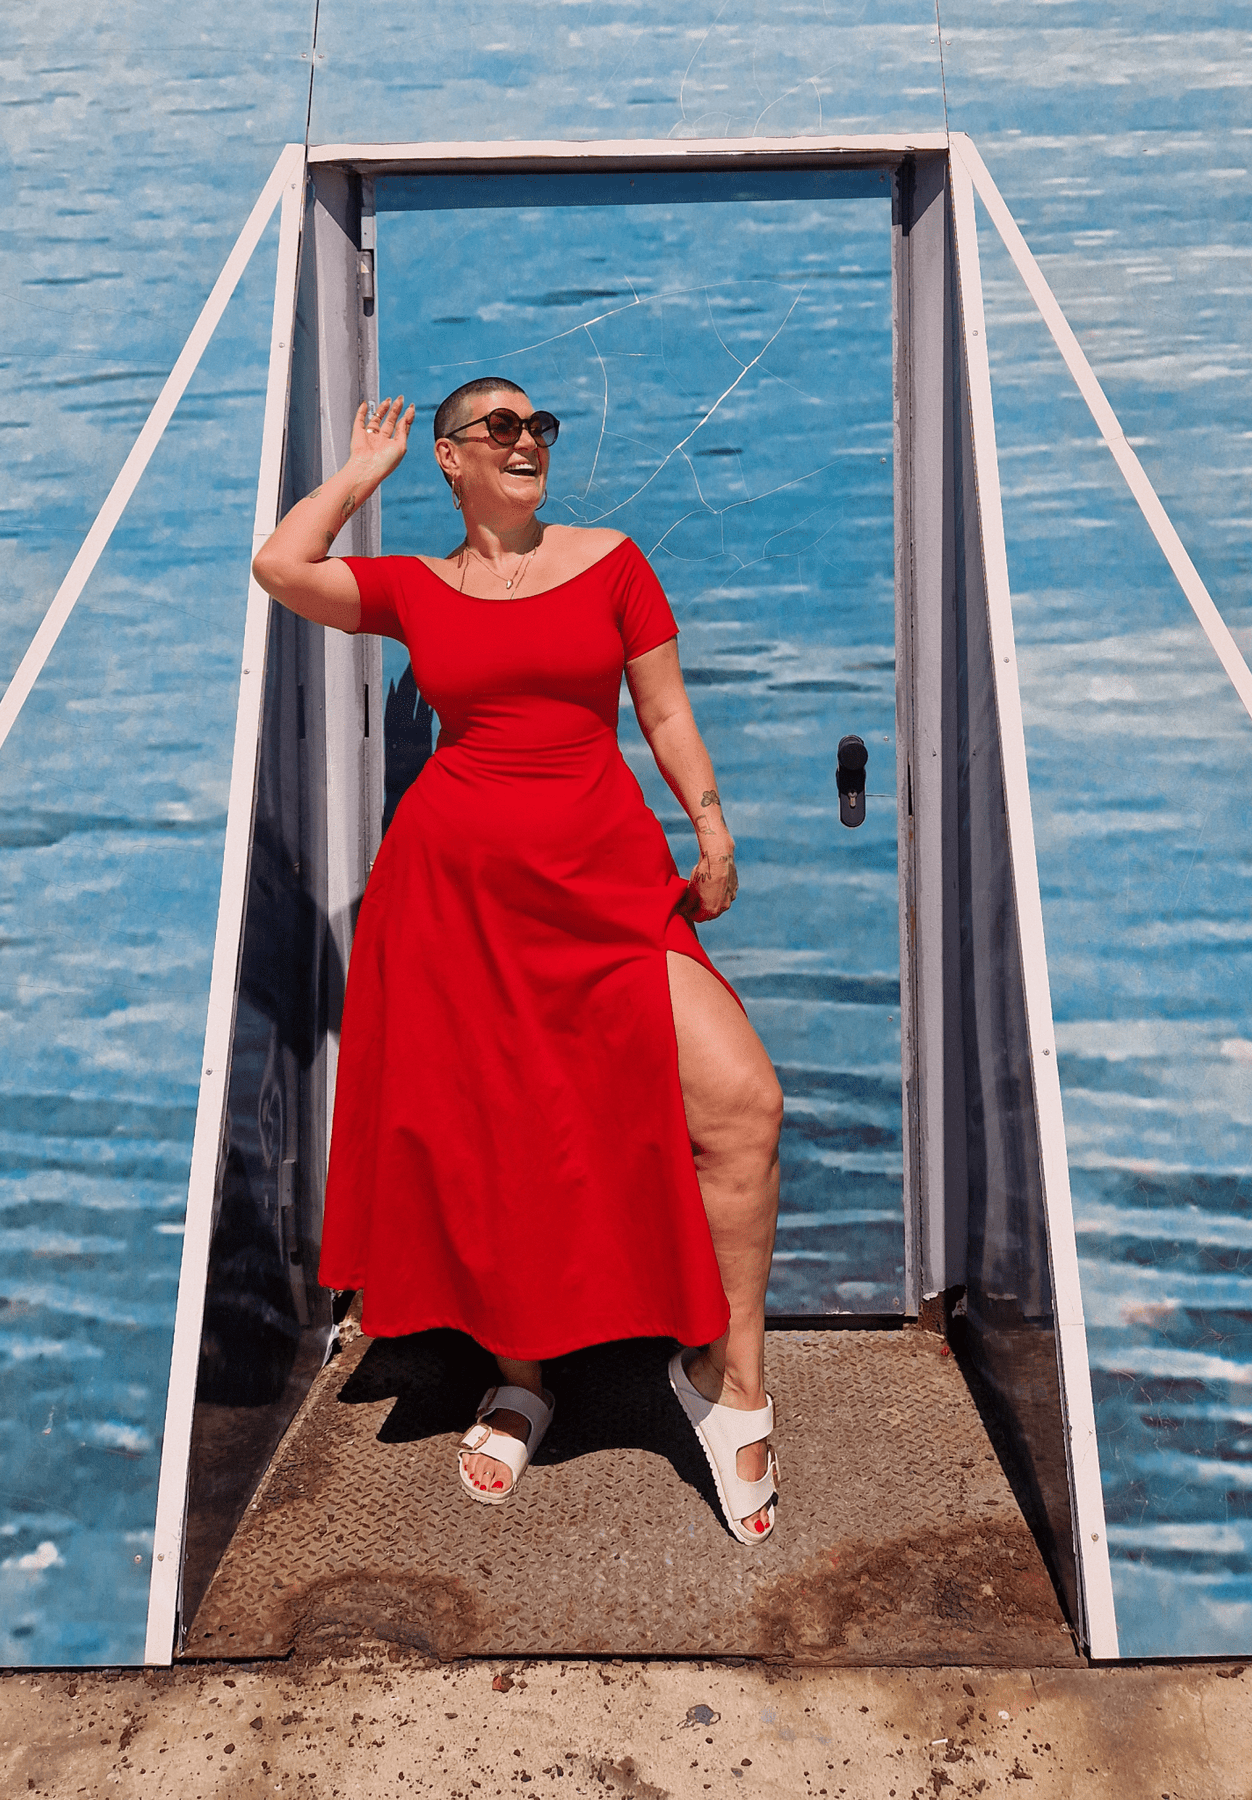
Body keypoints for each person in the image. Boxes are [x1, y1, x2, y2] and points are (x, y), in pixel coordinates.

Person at [251, 379, 783, 1541]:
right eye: (499, 427)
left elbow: (665, 712)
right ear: (450, 458)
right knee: (502, 1133)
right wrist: (360, 476)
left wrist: (709, 826)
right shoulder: (415, 588)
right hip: (458, 899)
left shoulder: (614, 563)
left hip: (605, 881)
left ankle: (730, 1382)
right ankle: (519, 1383)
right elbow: (282, 567)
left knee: (743, 1103)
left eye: (539, 425)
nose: (527, 439)